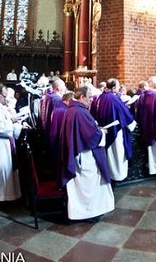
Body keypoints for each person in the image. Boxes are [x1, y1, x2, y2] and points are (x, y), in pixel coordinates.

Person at [58, 86, 114, 222]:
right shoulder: (79, 112)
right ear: (82, 97)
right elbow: (90, 137)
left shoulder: (72, 110)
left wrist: (95, 128)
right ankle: (88, 213)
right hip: (84, 155)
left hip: (78, 153)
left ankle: (83, 212)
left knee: (82, 187)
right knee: (88, 186)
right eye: (89, 98)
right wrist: (101, 132)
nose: (91, 101)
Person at [93, 78, 137, 182]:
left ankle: (109, 174)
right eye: (117, 87)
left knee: (109, 155)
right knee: (116, 155)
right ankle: (117, 176)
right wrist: (132, 122)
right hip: (116, 131)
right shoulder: (114, 98)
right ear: (113, 88)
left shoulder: (101, 96)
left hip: (105, 130)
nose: (118, 88)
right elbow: (124, 113)